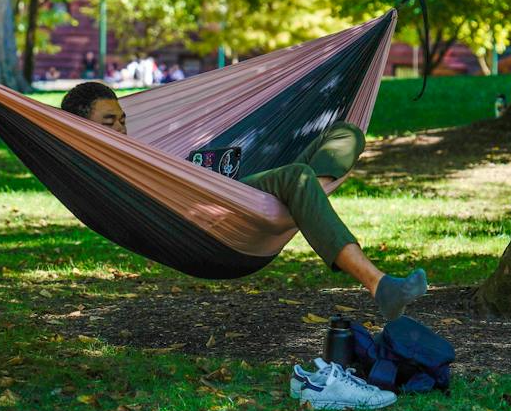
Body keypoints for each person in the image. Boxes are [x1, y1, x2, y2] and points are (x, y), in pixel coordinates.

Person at [60, 82, 428, 321]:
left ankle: (305, 196)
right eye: (110, 122)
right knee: (296, 178)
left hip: (229, 188)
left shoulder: (136, 146)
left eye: (123, 120)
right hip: (210, 218)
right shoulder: (99, 170)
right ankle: (380, 285)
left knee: (347, 134)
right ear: (80, 126)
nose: (121, 129)